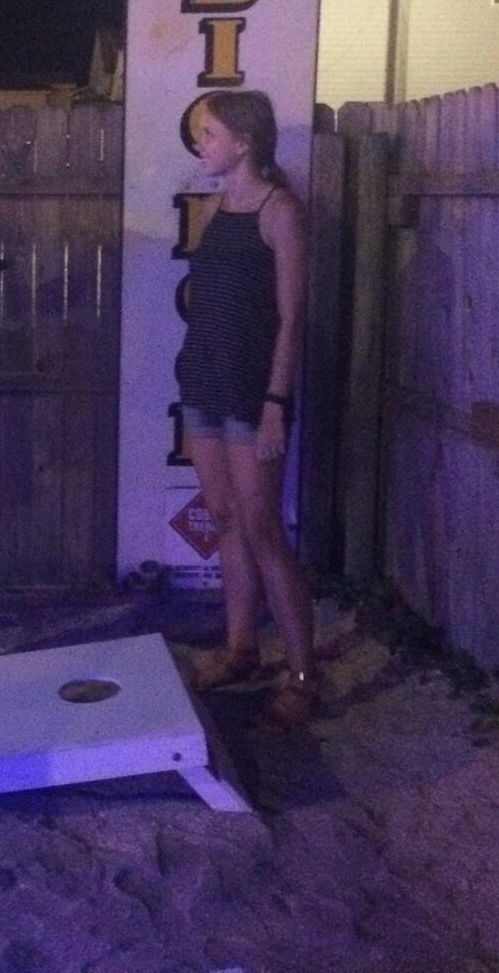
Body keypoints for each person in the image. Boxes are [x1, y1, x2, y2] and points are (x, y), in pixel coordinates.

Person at [174, 90, 317, 727]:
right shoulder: (217, 207)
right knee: (225, 518)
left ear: (244, 142)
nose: (199, 144)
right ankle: (241, 650)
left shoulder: (280, 210)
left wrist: (276, 403)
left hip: (251, 392)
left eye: (209, 134)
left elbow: (292, 319)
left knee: (262, 529)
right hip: (204, 384)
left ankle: (304, 676)